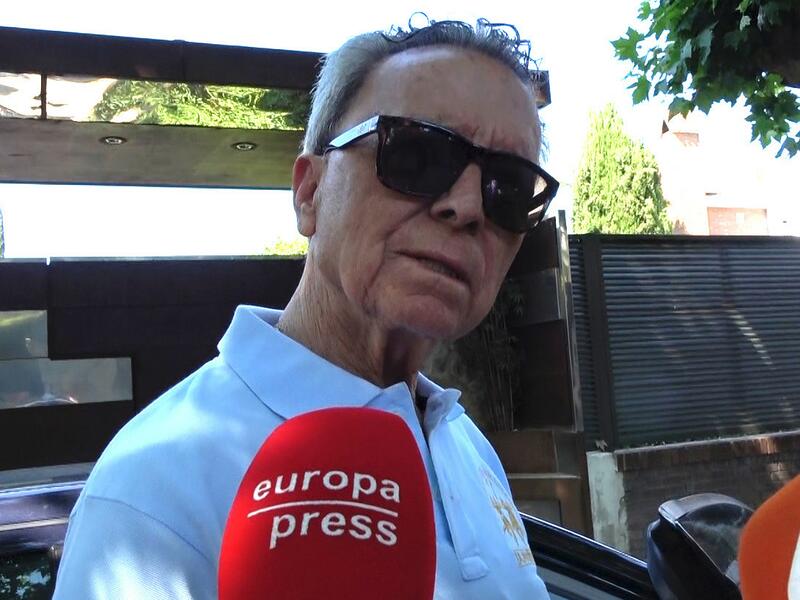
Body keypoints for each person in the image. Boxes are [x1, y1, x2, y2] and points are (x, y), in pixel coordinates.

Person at [54, 17, 559, 599]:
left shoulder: (466, 445)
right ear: (309, 192)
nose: (468, 206)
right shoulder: (154, 487)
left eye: (510, 187)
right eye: (419, 154)